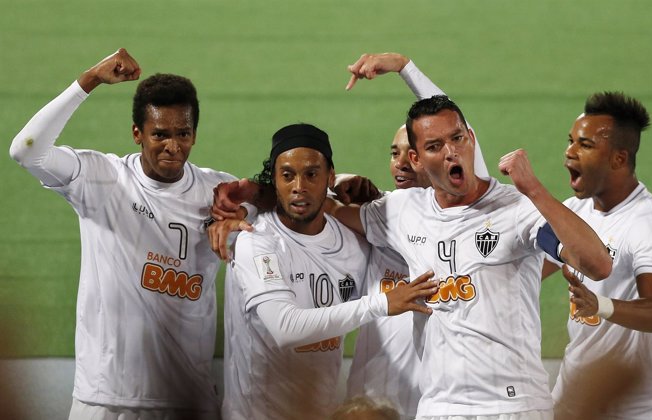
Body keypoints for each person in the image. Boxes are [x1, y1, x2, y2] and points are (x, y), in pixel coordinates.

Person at [334, 52, 613, 419]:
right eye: (435, 147)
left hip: (514, 407)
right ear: (416, 161)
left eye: (458, 138)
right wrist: (262, 200)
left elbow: (597, 265)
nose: (452, 151)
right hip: (438, 407)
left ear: (471, 139)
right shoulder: (403, 210)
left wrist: (535, 191)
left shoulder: (517, 211)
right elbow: (316, 208)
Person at [9, 48, 239, 419]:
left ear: (195, 134)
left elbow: (292, 201)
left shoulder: (220, 192)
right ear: (137, 133)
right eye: (159, 134)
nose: (173, 146)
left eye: (183, 133)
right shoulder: (102, 178)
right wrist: (89, 81)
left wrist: (341, 183)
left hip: (186, 399)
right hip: (104, 398)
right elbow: (25, 151)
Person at [211, 123, 438, 420]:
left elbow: (406, 217)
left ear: (329, 177)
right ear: (275, 180)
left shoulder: (355, 241)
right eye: (287, 175)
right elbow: (284, 327)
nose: (299, 186)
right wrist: (382, 303)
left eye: (311, 174)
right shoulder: (256, 240)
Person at [543, 92, 652, 419]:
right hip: (575, 387)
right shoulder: (576, 211)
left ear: (618, 159)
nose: (569, 152)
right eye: (571, 141)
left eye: (585, 145)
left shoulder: (649, 225)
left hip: (633, 403)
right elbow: (532, 267)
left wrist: (600, 306)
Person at [345, 125, 432, 418]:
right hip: (369, 400)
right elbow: (313, 205)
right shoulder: (381, 213)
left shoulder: (463, 231)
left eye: (412, 153)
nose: (401, 162)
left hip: (429, 404)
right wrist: (343, 181)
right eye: (395, 153)